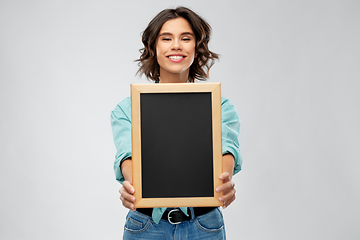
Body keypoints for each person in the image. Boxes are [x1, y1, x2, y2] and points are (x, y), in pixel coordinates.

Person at [110, 6, 243, 239]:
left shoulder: (221, 107)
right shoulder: (126, 109)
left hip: (204, 225)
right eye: (166, 38)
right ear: (154, 47)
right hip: (145, 225)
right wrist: (133, 186)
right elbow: (127, 155)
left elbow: (226, 148)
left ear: (196, 47)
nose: (176, 45)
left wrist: (224, 180)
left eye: (186, 38)